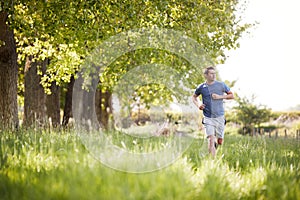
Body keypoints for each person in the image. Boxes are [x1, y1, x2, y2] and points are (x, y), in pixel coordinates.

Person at [192, 66, 234, 157]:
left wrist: (220, 97)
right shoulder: (201, 87)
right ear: (206, 75)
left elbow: (232, 96)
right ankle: (213, 161)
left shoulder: (221, 85)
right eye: (211, 73)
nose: (214, 75)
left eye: (214, 73)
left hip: (219, 117)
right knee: (211, 139)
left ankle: (217, 142)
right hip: (208, 117)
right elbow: (194, 97)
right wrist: (198, 104)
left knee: (219, 141)